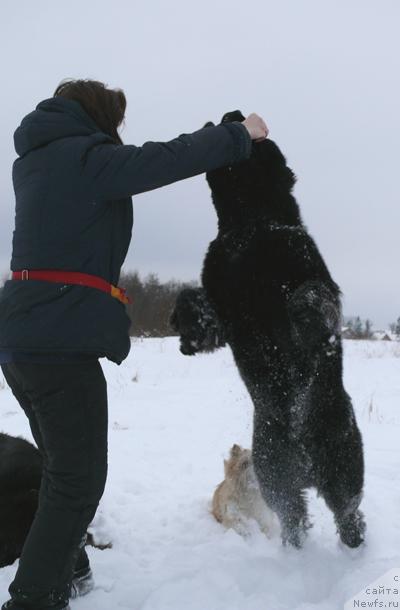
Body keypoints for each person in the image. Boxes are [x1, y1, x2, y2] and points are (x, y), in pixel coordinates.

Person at [0, 78, 268, 610]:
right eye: (115, 121)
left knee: (61, 469)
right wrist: (238, 135)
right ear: (97, 116)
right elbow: (166, 159)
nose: (118, 133)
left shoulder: (34, 161)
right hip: (59, 345)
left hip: (24, 341)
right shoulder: (83, 158)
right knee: (78, 479)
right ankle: (33, 598)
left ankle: (68, 566)